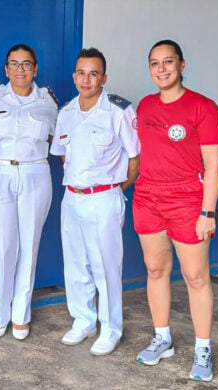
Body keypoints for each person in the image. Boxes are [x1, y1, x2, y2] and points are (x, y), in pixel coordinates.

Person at [133, 40, 218, 382]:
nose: (161, 69)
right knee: (155, 270)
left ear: (182, 65)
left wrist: (208, 212)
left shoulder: (203, 107)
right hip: (148, 198)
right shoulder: (144, 107)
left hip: (188, 202)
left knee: (196, 277)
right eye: (155, 63)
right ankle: (163, 338)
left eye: (168, 62)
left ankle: (203, 348)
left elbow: (214, 167)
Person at [50, 48, 140, 356]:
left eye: (93, 73)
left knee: (106, 267)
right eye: (81, 72)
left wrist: (115, 188)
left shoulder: (118, 111)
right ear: (74, 75)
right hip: (72, 198)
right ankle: (83, 320)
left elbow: (135, 157)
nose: (86, 79)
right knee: (76, 264)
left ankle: (110, 328)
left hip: (104, 198)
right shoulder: (66, 113)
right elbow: (63, 154)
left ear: (103, 78)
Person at [0, 44, 58, 340]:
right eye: (14, 64)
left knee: (29, 244)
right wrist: (2, 158)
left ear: (35, 69)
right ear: (6, 69)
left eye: (26, 64)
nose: (20, 70)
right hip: (0, 173)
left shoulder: (48, 101)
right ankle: (3, 310)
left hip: (36, 172)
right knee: (1, 246)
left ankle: (21, 313)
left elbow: (56, 139)